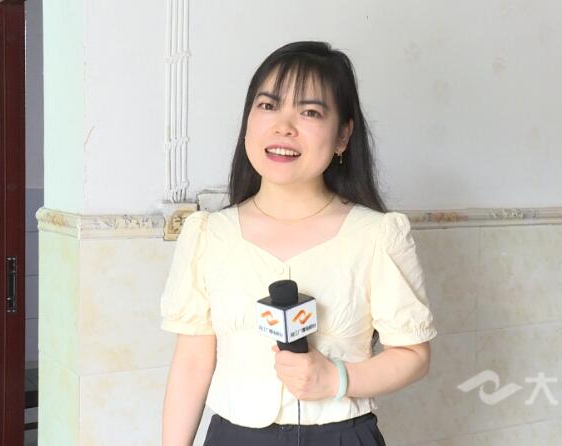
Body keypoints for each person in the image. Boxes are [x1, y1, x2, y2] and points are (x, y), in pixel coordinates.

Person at [161, 41, 438, 446]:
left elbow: (413, 356)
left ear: (343, 135)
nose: (284, 126)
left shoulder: (378, 235)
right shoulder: (208, 235)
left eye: (309, 112)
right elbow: (191, 363)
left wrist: (337, 378)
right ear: (248, 122)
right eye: (268, 106)